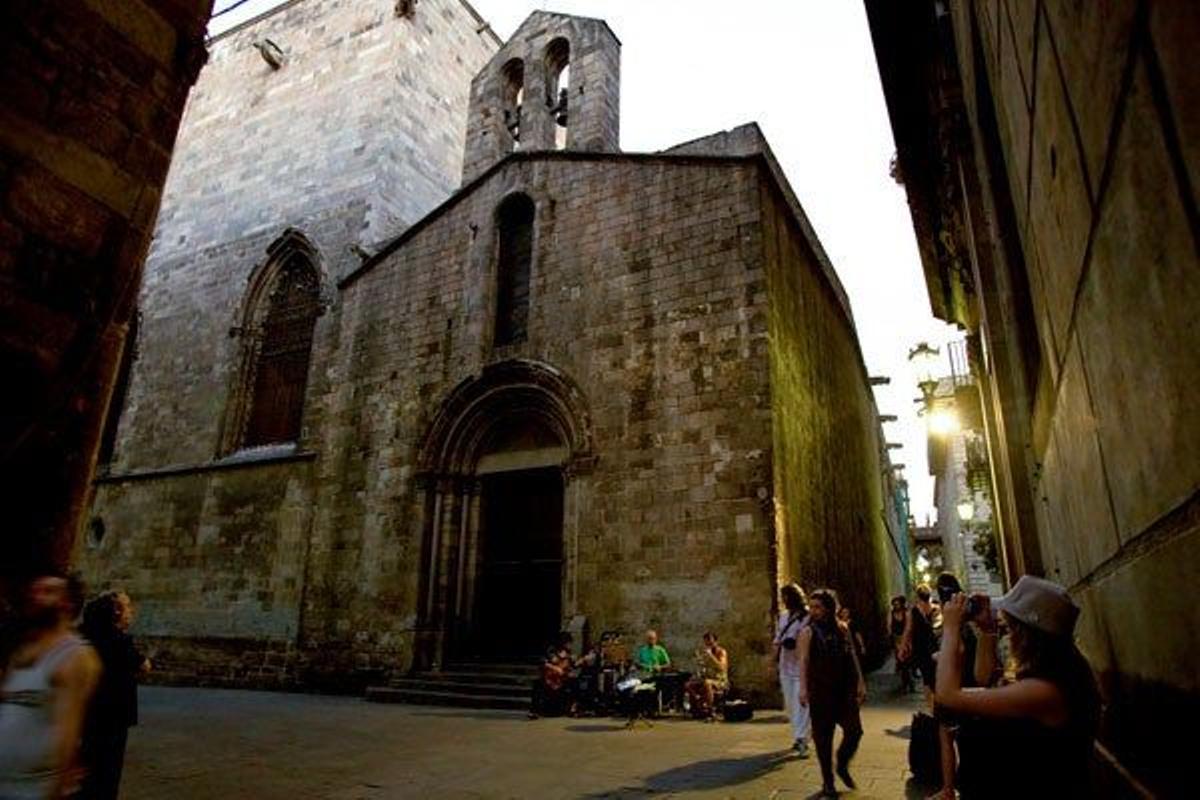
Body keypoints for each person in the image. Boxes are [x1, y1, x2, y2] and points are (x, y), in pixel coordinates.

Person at [935, 575, 1100, 798]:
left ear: (1026, 635)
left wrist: (950, 629)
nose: (1009, 636)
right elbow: (984, 678)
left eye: (1011, 629)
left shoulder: (1043, 692)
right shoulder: (1057, 676)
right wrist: (987, 632)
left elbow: (947, 696)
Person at [0, 572, 101, 799]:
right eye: (35, 590)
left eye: (48, 591)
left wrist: (58, 785)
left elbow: (69, 727)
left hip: (35, 788)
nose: (36, 596)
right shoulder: (22, 650)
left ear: (67, 603)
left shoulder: (74, 656)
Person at [929, 573, 999, 800]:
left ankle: (949, 788)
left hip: (960, 691)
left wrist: (950, 633)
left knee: (950, 738)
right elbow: (982, 676)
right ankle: (950, 788)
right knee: (959, 742)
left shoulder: (956, 626)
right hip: (970, 693)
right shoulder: (968, 627)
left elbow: (977, 675)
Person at [79, 590, 150, 800]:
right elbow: (144, 665)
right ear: (116, 612)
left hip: (88, 713)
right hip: (114, 716)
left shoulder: (85, 636)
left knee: (89, 766)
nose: (132, 610)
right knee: (108, 771)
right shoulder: (119, 641)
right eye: (127, 606)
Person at [798, 589, 867, 798]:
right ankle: (828, 782)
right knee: (823, 738)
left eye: (818, 607)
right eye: (811, 607)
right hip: (820, 689)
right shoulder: (807, 632)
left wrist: (860, 681)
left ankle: (842, 762)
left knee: (854, 731)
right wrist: (802, 688)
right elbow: (803, 661)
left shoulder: (842, 628)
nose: (814, 611)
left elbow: (852, 654)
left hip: (844, 688)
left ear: (829, 608)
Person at [773, 582, 810, 756]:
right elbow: (778, 636)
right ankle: (797, 736)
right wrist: (776, 649)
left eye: (787, 596)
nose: (784, 600)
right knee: (790, 703)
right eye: (783, 597)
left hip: (802, 663)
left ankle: (802, 739)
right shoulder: (783, 616)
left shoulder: (807, 616)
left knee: (801, 702)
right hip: (785, 663)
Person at [899, 584, 937, 698]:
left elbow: (908, 630)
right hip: (935, 645)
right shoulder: (936, 608)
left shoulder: (913, 611)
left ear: (918, 596)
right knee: (936, 673)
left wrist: (902, 648)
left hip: (920, 647)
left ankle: (931, 704)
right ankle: (938, 698)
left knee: (926, 676)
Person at [529, 632, 577, 718]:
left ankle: (572, 708)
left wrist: (571, 669)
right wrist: (555, 668)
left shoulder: (568, 653)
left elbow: (570, 666)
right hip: (550, 677)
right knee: (537, 684)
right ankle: (533, 710)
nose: (570, 645)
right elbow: (543, 662)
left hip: (561, 680)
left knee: (574, 683)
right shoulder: (552, 650)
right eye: (569, 643)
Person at [685, 632, 728, 720]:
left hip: (720, 681)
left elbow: (721, 667)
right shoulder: (705, 653)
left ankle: (710, 711)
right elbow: (703, 668)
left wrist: (711, 656)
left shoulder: (721, 652)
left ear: (716, 642)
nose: (708, 645)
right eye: (706, 643)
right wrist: (700, 661)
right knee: (689, 684)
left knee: (707, 683)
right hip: (707, 678)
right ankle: (697, 708)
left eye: (710, 643)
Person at [890, 596, 914, 693]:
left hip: (907, 639)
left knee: (907, 662)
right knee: (902, 662)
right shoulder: (891, 614)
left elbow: (908, 627)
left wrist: (907, 642)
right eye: (894, 604)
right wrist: (895, 642)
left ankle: (909, 682)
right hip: (897, 639)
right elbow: (889, 627)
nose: (896, 606)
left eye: (898, 604)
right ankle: (907, 683)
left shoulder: (907, 613)